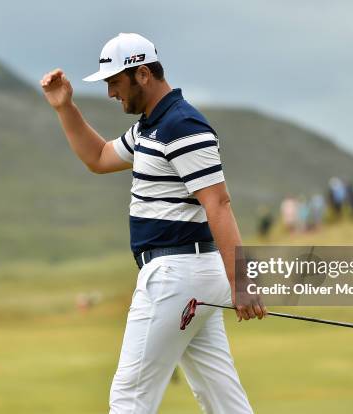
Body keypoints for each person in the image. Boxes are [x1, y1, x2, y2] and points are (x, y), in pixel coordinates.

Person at [41, 33, 266, 414]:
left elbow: (219, 203)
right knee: (222, 398)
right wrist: (65, 108)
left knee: (129, 398)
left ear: (142, 74)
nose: (112, 93)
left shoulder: (181, 126)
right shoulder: (150, 127)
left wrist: (241, 282)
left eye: (115, 82)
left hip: (175, 276)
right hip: (189, 276)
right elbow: (98, 157)